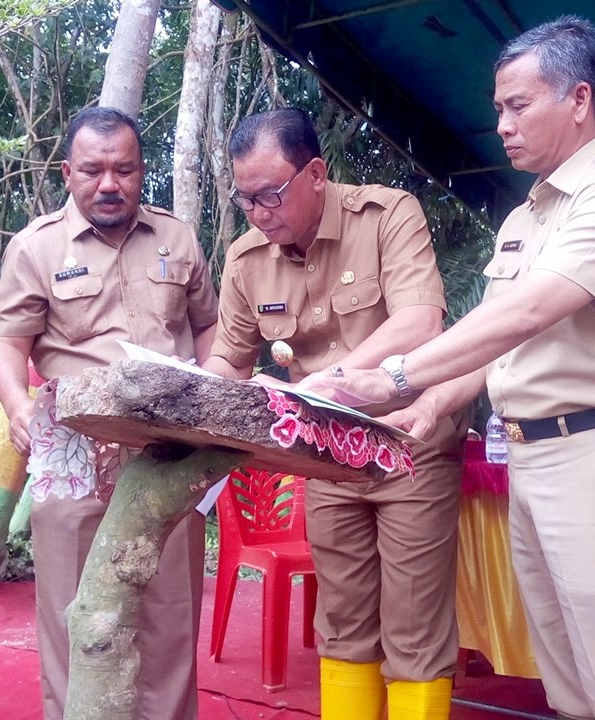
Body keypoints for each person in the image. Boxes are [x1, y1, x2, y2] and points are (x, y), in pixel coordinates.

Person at [300, 17, 595, 720]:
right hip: (534, 457)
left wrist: (396, 379)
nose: (503, 125)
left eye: (519, 106)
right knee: (569, 679)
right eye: (497, 110)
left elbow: (530, 312)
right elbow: (494, 343)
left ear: (578, 99)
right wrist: (426, 407)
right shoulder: (526, 218)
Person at [199, 107, 464, 720]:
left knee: (414, 624)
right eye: (247, 200)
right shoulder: (246, 259)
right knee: (342, 620)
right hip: (326, 458)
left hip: (408, 445)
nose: (260, 213)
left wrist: (326, 383)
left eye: (271, 194)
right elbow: (228, 362)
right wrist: (182, 400)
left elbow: (420, 321)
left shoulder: (388, 215)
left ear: (316, 173)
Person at [0, 106, 219, 720]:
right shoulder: (36, 248)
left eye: (125, 169)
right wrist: (15, 405)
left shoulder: (177, 237)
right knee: (75, 615)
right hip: (74, 450)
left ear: (144, 171)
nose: (109, 184)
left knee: (169, 615)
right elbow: (7, 343)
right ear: (68, 172)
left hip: (167, 449)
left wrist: (216, 399)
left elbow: (211, 326)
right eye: (93, 170)